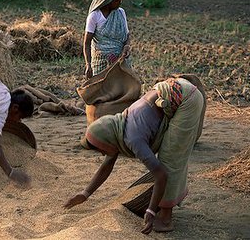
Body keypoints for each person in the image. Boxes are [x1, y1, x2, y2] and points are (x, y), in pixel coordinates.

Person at [64, 76, 205, 234]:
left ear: (108, 140)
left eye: (101, 148)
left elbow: (161, 175)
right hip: (173, 91)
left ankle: (165, 219)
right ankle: (165, 207)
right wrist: (85, 194)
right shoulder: (119, 127)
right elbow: (107, 165)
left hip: (186, 99)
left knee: (169, 159)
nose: (102, 152)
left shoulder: (133, 139)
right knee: (167, 157)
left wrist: (150, 211)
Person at [83, 0, 130, 79]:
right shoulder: (94, 16)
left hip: (120, 60)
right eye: (117, 0)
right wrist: (88, 64)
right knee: (101, 90)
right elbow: (87, 43)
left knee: (121, 89)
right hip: (101, 62)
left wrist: (126, 47)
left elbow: (127, 35)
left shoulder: (121, 13)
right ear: (108, 0)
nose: (120, 2)